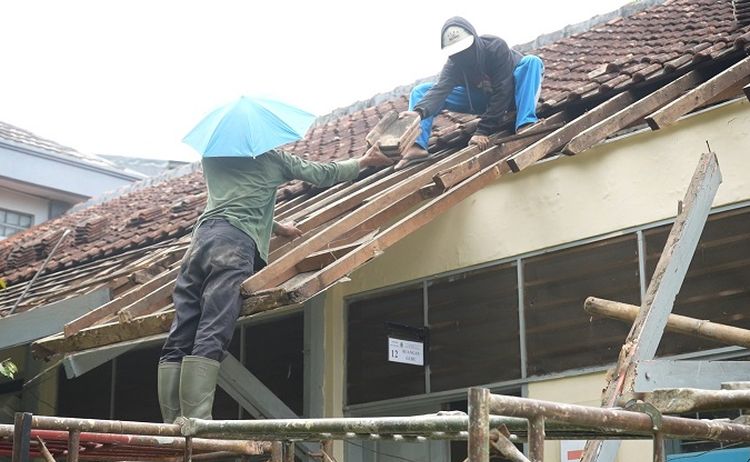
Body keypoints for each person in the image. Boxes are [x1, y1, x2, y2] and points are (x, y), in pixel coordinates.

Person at [157, 145, 394, 423]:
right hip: (232, 245)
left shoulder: (212, 156)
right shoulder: (272, 159)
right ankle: (196, 420)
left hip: (199, 243)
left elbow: (237, 198)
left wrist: (280, 228)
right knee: (214, 326)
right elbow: (322, 173)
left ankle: (172, 423)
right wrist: (363, 161)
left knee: (183, 328)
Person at [403, 16, 544, 160]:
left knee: (532, 62)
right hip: (484, 100)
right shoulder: (453, 65)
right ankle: (418, 145)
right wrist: (418, 113)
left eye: (465, 49)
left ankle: (525, 122)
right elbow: (440, 91)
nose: (462, 55)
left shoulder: (495, 47)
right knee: (421, 91)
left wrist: (482, 131)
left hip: (514, 94)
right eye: (456, 52)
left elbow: (503, 90)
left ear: (474, 40)